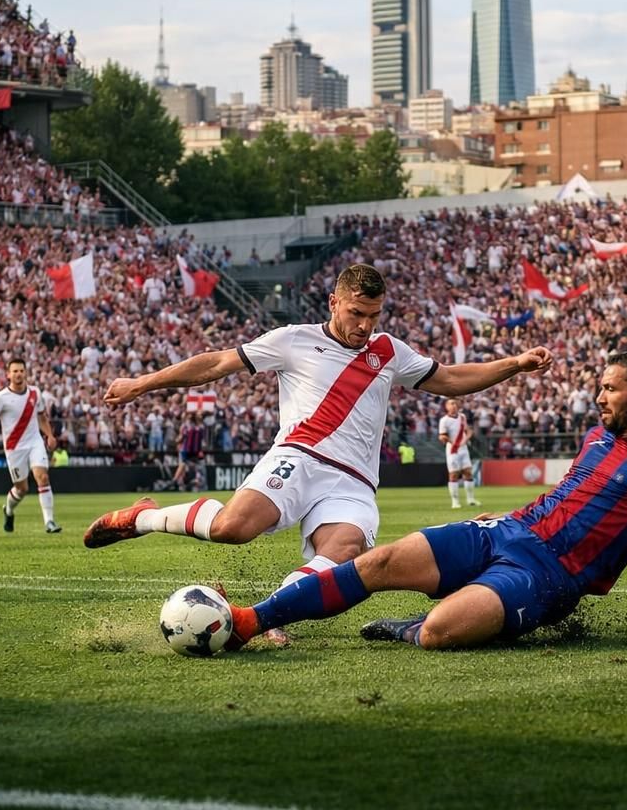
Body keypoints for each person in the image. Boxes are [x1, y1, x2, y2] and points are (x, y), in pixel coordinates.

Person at [86, 263, 551, 645]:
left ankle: (268, 617)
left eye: (374, 315)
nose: (365, 326)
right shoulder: (292, 339)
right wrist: (142, 383)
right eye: (356, 313)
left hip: (353, 482)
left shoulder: (389, 351)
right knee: (233, 528)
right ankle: (142, 517)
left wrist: (512, 364)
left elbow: (449, 379)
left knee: (345, 551)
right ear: (333, 302)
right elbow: (216, 363)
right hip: (299, 457)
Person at [213, 351, 627, 651]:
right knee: (377, 561)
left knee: (440, 632)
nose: (598, 396)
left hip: (549, 576)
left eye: (609, 389)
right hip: (506, 531)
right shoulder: (597, 437)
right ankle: (249, 620)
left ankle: (410, 627)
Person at [0, 358, 61, 534]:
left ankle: (50, 522)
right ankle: (8, 510)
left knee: (42, 477)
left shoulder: (35, 393)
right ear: (8, 374)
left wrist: (49, 435)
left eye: (21, 371)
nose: (18, 374)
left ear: (26, 373)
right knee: (22, 488)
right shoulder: (1, 397)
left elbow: (42, 417)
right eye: (15, 371)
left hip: (35, 442)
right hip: (14, 447)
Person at [438, 397, 480, 510]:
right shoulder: (444, 420)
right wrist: (446, 439)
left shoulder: (462, 417)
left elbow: (467, 430)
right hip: (453, 449)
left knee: (468, 472)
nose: (454, 406)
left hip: (463, 448)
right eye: (451, 404)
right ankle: (455, 501)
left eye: (455, 403)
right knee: (453, 474)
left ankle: (470, 499)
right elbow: (442, 435)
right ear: (446, 407)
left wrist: (466, 438)